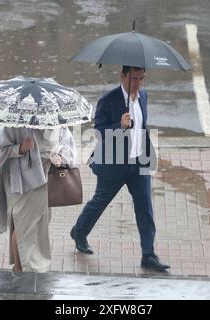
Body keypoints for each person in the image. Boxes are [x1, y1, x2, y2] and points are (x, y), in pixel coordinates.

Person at [70, 65, 170, 272]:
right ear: (123, 75)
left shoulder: (143, 95)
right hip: (114, 163)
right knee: (99, 202)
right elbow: (99, 130)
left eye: (142, 79)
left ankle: (148, 255)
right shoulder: (109, 99)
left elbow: (142, 127)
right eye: (134, 79)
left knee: (145, 209)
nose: (138, 84)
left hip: (139, 162)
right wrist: (119, 126)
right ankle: (79, 232)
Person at [0, 125, 76, 272]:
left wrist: (60, 156)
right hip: (19, 182)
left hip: (45, 180)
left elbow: (67, 145)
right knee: (23, 226)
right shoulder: (13, 125)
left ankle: (22, 268)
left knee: (35, 225)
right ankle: (23, 268)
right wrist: (19, 148)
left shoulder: (58, 123)